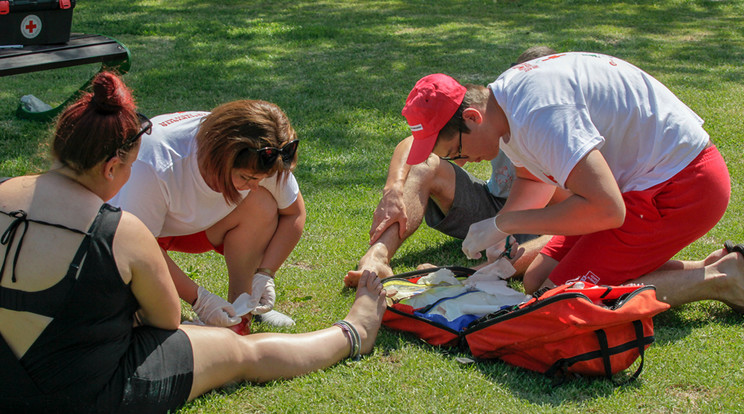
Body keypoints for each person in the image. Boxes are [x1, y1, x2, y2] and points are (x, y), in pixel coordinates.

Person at [0, 71, 387, 413]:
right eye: (130, 167)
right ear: (112, 166)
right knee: (240, 353)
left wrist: (262, 274)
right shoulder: (121, 229)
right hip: (90, 391)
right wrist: (203, 306)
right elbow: (166, 321)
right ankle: (352, 333)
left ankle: (247, 310)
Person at [401, 52, 744, 311]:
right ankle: (707, 267)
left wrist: (503, 221)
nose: (460, 163)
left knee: (558, 298)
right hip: (648, 185)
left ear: (473, 118)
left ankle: (720, 281)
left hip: (682, 186)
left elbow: (607, 210)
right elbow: (531, 176)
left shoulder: (537, 113)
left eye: (454, 151)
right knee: (536, 278)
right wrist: (502, 231)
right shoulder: (505, 104)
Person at [344, 46, 558, 288]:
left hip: (547, 221)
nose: (462, 161)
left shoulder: (546, 119)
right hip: (495, 208)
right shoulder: (494, 108)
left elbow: (575, 219)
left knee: (565, 233)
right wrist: (393, 188)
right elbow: (414, 144)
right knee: (425, 165)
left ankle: (464, 274)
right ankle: (377, 257)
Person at [109, 99, 306, 327]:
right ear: (219, 158)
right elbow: (135, 246)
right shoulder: (156, 163)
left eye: (262, 178)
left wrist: (266, 273)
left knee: (262, 204)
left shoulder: (265, 152)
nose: (254, 186)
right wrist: (199, 299)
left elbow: (294, 213)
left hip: (193, 226)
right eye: (246, 177)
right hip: (133, 234)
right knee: (148, 318)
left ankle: (243, 309)